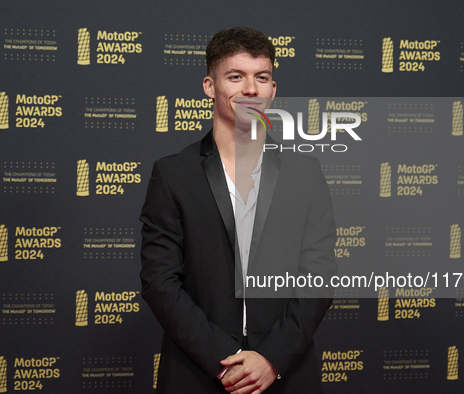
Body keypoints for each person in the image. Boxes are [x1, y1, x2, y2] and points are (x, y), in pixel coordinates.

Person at [140, 27, 336, 394]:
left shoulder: (305, 174)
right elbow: (160, 282)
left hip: (285, 375)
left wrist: (271, 358)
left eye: (262, 77)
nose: (251, 90)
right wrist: (223, 360)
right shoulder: (172, 175)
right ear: (210, 87)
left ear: (273, 90)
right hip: (197, 374)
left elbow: (319, 277)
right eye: (236, 76)